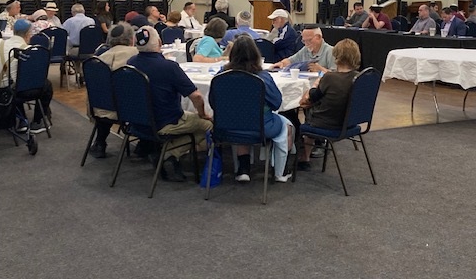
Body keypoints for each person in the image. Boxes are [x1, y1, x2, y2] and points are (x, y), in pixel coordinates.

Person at [127, 25, 212, 182]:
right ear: (160, 43)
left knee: (191, 118)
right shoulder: (169, 67)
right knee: (209, 125)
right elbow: (197, 96)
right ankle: (169, 153)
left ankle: (165, 152)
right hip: (165, 122)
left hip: (136, 121)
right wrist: (202, 114)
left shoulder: (130, 63)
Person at [224, 34, 294, 182]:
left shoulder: (222, 75)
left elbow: (214, 101)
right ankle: (281, 171)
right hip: (261, 126)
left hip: (229, 125)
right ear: (256, 55)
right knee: (287, 126)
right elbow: (276, 103)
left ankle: (243, 169)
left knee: (242, 124)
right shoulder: (263, 77)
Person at [298, 38, 361, 171]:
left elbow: (312, 97)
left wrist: (314, 85)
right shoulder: (360, 78)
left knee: (307, 107)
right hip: (349, 122)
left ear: (336, 57)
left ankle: (305, 157)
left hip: (328, 123)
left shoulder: (330, 78)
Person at [88, 22, 138, 158]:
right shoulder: (138, 56)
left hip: (101, 109)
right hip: (135, 111)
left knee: (108, 97)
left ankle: (100, 142)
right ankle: (146, 144)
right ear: (131, 39)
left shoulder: (98, 60)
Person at [0, 19, 53, 134]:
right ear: (28, 34)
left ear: (13, 30)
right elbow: (34, 75)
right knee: (45, 84)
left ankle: (22, 119)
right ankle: (37, 122)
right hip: (12, 92)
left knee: (15, 80)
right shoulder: (28, 51)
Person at [62, 4, 96, 81]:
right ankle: (84, 73)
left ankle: (79, 73)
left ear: (73, 12)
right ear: (84, 11)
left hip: (76, 49)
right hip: (91, 50)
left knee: (73, 52)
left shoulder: (69, 21)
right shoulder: (91, 21)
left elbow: (63, 34)